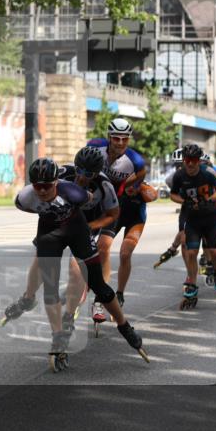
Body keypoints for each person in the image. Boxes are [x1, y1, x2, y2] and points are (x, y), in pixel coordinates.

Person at [13, 157, 148, 371]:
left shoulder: (80, 192)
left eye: (47, 186)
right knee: (49, 284)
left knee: (96, 284)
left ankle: (125, 326)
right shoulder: (24, 197)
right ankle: (57, 335)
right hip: (51, 231)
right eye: (37, 186)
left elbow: (106, 210)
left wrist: (91, 225)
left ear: (55, 182)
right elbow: (27, 206)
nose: (41, 191)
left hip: (79, 229)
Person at [0, 146, 120, 337]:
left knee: (76, 268)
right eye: (79, 170)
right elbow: (38, 194)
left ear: (96, 173)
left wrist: (92, 226)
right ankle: (28, 298)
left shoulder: (104, 185)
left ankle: (69, 316)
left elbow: (114, 214)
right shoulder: (64, 173)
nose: (81, 177)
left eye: (88, 174)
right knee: (40, 258)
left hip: (89, 224)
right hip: (59, 220)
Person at [86, 118, 154, 321]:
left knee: (125, 253)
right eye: (116, 138)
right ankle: (100, 296)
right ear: (109, 137)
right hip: (110, 207)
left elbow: (142, 172)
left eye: (125, 139)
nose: (120, 143)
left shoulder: (134, 160)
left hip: (132, 212)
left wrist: (127, 185)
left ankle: (120, 293)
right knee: (102, 247)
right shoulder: (94, 147)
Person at [168, 144, 216, 309]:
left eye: (194, 160)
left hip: (210, 218)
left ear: (199, 160)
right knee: (191, 252)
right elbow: (172, 194)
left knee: (215, 253)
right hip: (193, 220)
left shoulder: (207, 173)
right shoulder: (179, 176)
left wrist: (209, 200)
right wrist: (184, 201)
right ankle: (192, 284)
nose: (190, 164)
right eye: (187, 160)